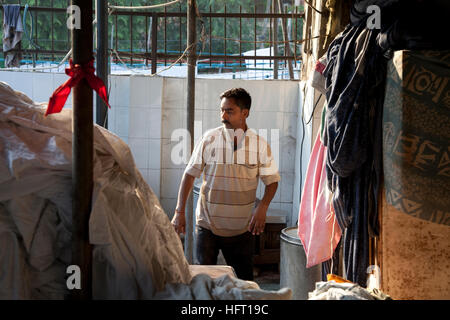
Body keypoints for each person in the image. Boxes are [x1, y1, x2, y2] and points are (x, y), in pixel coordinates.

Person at [171, 88, 280, 281]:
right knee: (203, 283)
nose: (223, 116)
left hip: (241, 229)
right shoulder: (209, 139)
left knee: (244, 284)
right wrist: (179, 211)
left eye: (229, 111)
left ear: (244, 113)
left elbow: (272, 182)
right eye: (221, 110)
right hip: (207, 226)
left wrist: (262, 207)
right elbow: (189, 175)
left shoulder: (260, 144)